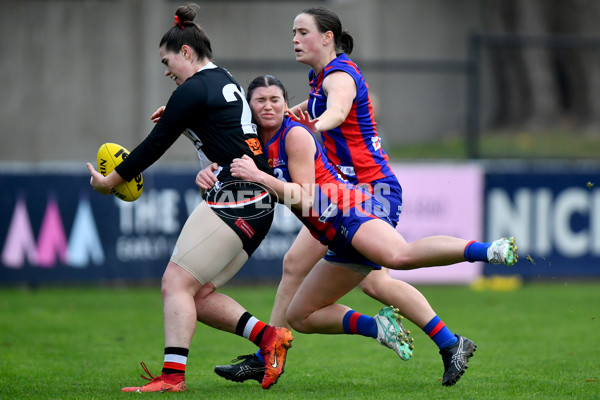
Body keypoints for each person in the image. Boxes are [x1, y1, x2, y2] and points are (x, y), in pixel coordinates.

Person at [214, 7, 506, 387]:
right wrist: (291, 113)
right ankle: (272, 350)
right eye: (293, 32)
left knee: (383, 272)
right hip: (338, 194)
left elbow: (336, 109)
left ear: (327, 37)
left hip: (371, 190)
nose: (295, 39)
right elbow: (306, 109)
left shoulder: (340, 77)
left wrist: (312, 126)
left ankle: (473, 283)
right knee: (298, 269)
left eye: (302, 32)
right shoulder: (316, 77)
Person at [86, 5, 294, 392]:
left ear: (185, 53)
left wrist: (109, 181)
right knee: (195, 294)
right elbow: (222, 130)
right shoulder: (220, 79)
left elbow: (152, 147)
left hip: (236, 196)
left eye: (167, 60)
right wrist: (186, 119)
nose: (166, 70)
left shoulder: (194, 88)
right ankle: (269, 339)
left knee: (174, 283)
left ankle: (172, 378)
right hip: (259, 205)